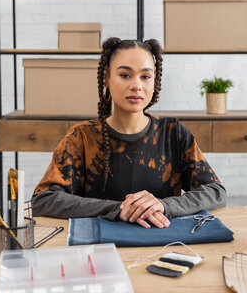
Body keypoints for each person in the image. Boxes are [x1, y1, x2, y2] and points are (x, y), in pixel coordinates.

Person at [31, 37, 226, 228]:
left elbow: (215, 191)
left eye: (145, 76)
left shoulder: (173, 133)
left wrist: (164, 205)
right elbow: (44, 200)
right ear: (106, 77)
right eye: (125, 75)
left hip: (162, 244)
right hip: (99, 248)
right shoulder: (81, 137)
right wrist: (119, 209)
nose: (136, 85)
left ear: (154, 81)